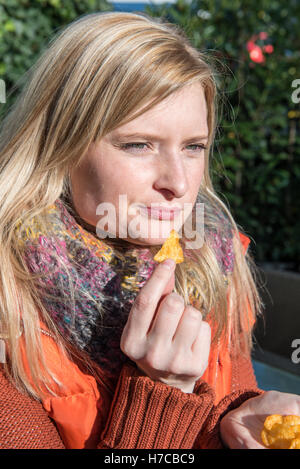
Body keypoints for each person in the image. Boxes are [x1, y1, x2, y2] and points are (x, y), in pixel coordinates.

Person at [0, 11, 299, 450]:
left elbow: (224, 393)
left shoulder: (212, 260)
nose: (177, 183)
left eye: (194, 147)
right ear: (60, 145)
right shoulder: (10, 311)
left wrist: (237, 418)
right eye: (138, 144)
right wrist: (161, 394)